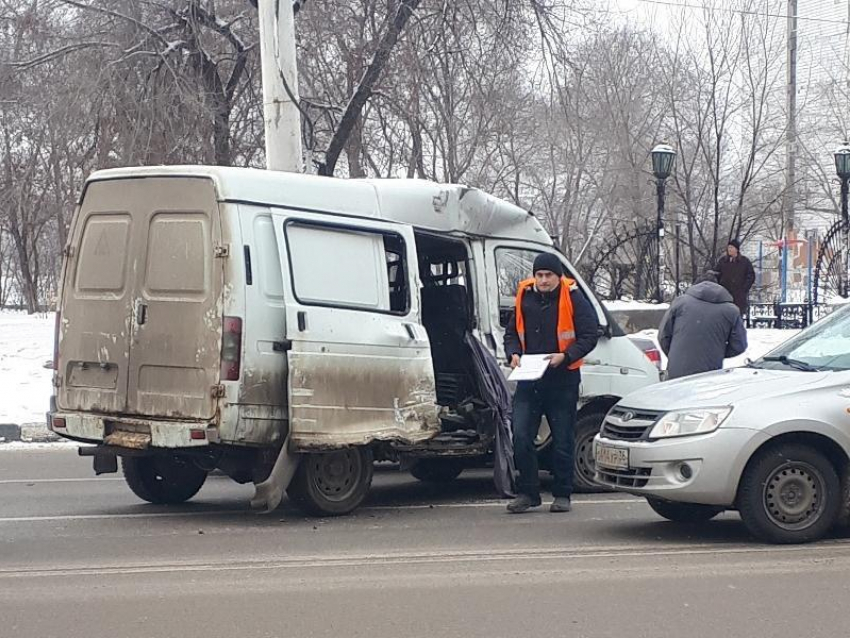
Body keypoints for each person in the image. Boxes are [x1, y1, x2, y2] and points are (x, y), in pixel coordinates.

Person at [503, 253, 599, 514]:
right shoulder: (525, 295)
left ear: (559, 277)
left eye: (548, 276)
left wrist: (565, 357)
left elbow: (590, 334)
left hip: (562, 379)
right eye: (539, 275)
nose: (543, 280)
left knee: (563, 438)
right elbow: (512, 333)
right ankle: (528, 493)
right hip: (529, 379)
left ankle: (562, 494)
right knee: (521, 435)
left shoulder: (573, 297)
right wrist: (513, 353)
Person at [659, 272, 748, 380]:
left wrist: (675, 354)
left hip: (677, 371)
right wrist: (717, 352)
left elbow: (663, 336)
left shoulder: (680, 303)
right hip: (709, 373)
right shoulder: (731, 311)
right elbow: (739, 345)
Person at [715, 239, 756, 314]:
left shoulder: (744, 261)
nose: (729, 249)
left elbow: (751, 276)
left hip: (739, 296)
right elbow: (717, 274)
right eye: (729, 247)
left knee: (737, 316)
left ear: (736, 249)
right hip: (725, 294)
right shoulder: (723, 261)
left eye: (731, 247)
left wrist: (744, 289)